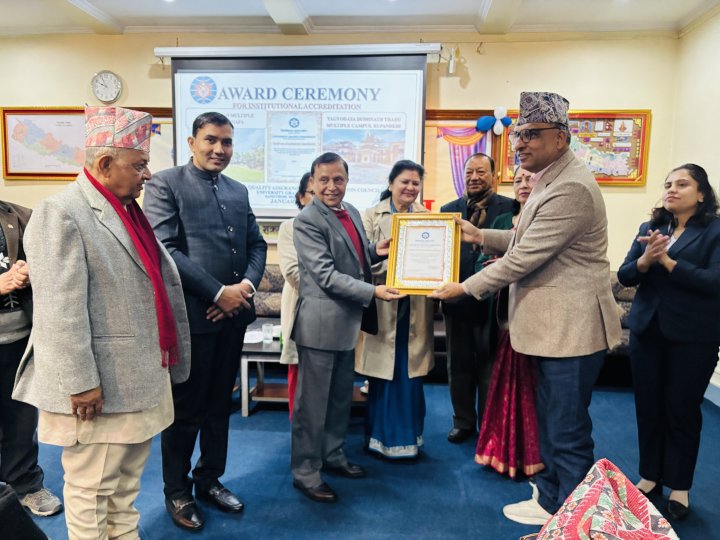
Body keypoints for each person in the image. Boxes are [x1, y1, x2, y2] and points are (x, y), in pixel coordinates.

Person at [431, 91, 621, 526]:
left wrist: (465, 287)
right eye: (518, 135)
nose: (520, 144)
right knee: (554, 426)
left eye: (531, 135)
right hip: (551, 330)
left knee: (568, 433)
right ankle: (552, 501)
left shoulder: (570, 186)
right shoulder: (552, 177)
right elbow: (521, 239)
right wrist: (479, 236)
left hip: (571, 332)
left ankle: (573, 522)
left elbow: (523, 258)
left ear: (561, 137)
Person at [12, 105, 192, 540]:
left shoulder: (125, 209)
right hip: (97, 388)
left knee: (124, 490)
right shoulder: (63, 211)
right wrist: (80, 381)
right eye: (140, 164)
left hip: (136, 379)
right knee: (91, 494)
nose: (147, 174)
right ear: (106, 164)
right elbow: (59, 309)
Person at [144, 111, 267, 531]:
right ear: (193, 141)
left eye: (227, 142)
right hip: (193, 320)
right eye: (211, 140)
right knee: (187, 411)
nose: (219, 149)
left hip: (232, 320)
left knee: (220, 407)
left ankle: (210, 479)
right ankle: (176, 491)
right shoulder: (164, 184)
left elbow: (257, 245)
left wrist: (244, 290)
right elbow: (167, 251)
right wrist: (218, 293)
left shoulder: (239, 189)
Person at [290, 152, 402, 503]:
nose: (331, 186)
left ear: (347, 179)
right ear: (312, 181)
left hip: (345, 325)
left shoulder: (351, 211)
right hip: (320, 327)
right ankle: (306, 472)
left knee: (339, 400)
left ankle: (333, 456)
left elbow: (352, 257)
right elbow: (325, 275)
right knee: (313, 406)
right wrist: (374, 291)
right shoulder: (307, 220)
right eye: (323, 180)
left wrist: (375, 251)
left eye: (338, 179)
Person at [617, 163, 720, 521]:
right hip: (648, 332)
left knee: (682, 410)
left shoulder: (715, 231)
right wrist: (646, 260)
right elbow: (625, 273)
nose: (672, 190)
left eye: (682, 184)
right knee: (648, 406)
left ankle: (679, 486)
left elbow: (714, 282)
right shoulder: (651, 228)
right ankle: (650, 475)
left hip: (693, 336)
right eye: (668, 184)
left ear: (702, 193)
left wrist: (669, 262)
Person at [356, 160, 434, 459]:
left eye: (416, 183)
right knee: (382, 374)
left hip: (415, 307)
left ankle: (409, 440)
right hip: (383, 304)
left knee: (409, 372)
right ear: (391, 184)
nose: (410, 188)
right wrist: (389, 260)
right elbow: (362, 261)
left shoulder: (429, 218)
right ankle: (379, 439)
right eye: (404, 182)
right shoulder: (370, 216)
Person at [474, 166, 543, 479]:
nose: (523, 184)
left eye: (530, 178)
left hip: (538, 322)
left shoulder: (544, 218)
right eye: (518, 180)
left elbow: (531, 262)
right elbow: (483, 258)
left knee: (533, 391)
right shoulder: (506, 222)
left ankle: (532, 454)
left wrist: (506, 265)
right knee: (503, 385)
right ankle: (502, 449)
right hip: (504, 317)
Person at [440, 153, 514, 443]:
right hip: (456, 298)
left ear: (493, 176)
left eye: (481, 172)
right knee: (457, 364)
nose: (474, 177)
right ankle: (462, 421)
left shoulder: (510, 207)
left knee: (488, 365)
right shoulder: (449, 210)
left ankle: (488, 422)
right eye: (469, 171)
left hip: (493, 302)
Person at [0, 201, 62, 518]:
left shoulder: (20, 215)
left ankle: (26, 484)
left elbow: (54, 263)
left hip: (19, 338)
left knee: (21, 418)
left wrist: (29, 268)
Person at [277, 172, 313, 421]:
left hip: (334, 317)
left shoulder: (340, 225)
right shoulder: (290, 228)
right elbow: (293, 274)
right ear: (301, 197)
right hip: (302, 311)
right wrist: (337, 285)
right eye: (313, 193)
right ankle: (301, 435)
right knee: (299, 375)